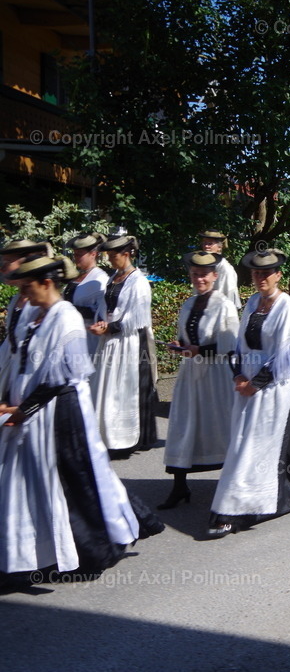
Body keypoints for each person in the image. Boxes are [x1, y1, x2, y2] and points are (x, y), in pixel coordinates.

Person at [0, 255, 163, 577]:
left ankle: (92, 549)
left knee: (74, 479)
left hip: (62, 412)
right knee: (38, 481)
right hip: (37, 409)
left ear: (47, 283)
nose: (25, 295)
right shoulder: (38, 316)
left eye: (29, 287)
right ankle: (32, 551)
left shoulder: (65, 318)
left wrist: (23, 409)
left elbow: (65, 377)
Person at [209, 249, 290, 536]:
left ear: (278, 275)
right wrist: (239, 374)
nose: (260, 278)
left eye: (266, 273)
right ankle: (237, 500)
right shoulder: (253, 302)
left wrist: (255, 383)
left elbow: (286, 355)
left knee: (257, 449)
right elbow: (240, 345)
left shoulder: (287, 307)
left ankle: (239, 508)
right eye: (256, 273)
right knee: (241, 446)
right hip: (248, 387)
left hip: (273, 390)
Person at [159, 252, 240, 510]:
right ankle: (179, 486)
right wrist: (180, 346)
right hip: (190, 375)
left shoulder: (224, 305)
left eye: (204, 274)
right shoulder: (188, 303)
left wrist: (200, 350)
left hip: (215, 377)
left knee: (219, 427)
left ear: (215, 276)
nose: (199, 279)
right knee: (183, 425)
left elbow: (230, 344)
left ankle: (231, 485)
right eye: (195, 274)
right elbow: (186, 338)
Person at [89, 235, 157, 458]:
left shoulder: (138, 281)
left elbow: (137, 318)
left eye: (112, 256)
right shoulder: (114, 278)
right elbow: (104, 304)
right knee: (106, 387)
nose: (109, 260)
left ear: (126, 254)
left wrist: (111, 327)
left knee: (123, 388)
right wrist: (101, 321)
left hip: (128, 342)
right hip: (110, 340)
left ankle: (123, 439)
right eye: (108, 255)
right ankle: (104, 436)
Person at [0, 240, 48, 399]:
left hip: (30, 375)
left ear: (25, 262)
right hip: (11, 369)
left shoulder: (38, 303)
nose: (2, 268)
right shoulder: (16, 299)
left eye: (7, 263)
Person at [63, 232, 110, 356]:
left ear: (93, 254)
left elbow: (103, 314)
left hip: (88, 340)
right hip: (69, 335)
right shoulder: (75, 276)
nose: (75, 258)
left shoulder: (100, 279)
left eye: (79, 255)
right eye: (74, 254)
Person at [198, 230, 241, 308]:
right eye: (204, 243)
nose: (206, 246)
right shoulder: (203, 266)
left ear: (219, 247)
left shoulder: (226, 269)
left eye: (210, 244)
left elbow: (230, 299)